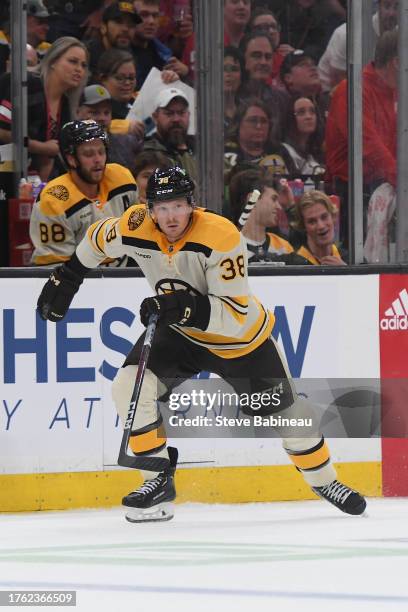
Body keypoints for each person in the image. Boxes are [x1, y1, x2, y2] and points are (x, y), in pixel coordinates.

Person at [36, 165, 366, 522]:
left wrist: (180, 305)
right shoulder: (134, 225)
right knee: (129, 388)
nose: (170, 216)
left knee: (292, 417)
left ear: (191, 205)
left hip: (239, 342)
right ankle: (157, 481)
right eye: (161, 208)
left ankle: (324, 481)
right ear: (150, 209)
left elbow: (236, 317)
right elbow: (97, 239)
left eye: (178, 206)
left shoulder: (221, 236)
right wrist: (69, 277)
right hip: (180, 334)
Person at [29, 119, 138, 266]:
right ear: (71, 159)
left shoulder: (123, 178)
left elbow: (138, 236)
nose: (98, 160)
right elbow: (54, 268)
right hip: (76, 284)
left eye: (101, 152)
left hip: (123, 282)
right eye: (89, 154)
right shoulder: (53, 201)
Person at [325, 30, 398, 245]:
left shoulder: (394, 91)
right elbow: (368, 145)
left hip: (382, 187)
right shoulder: (352, 90)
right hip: (351, 197)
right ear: (397, 62)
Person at [0, 36, 88, 181]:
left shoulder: (65, 104)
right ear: (53, 61)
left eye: (83, 65)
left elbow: (49, 156)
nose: (79, 69)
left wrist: (39, 195)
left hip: (27, 179)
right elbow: (3, 131)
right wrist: (41, 147)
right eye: (72, 62)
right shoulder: (27, 85)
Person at [229, 167, 309, 264]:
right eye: (274, 199)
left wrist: (291, 205)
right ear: (252, 199)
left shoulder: (283, 247)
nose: (279, 207)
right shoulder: (228, 248)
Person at [76, 84, 144, 171]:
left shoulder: (127, 143)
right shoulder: (69, 147)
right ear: (78, 112)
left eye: (106, 113)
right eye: (94, 112)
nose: (102, 118)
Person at [144, 87, 197, 184]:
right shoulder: (147, 152)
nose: (176, 119)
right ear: (155, 117)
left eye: (181, 113)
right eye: (169, 113)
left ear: (189, 115)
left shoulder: (203, 147)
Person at [132, 0, 188, 88]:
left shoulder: (164, 54)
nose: (151, 21)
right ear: (130, 17)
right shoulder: (119, 54)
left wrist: (183, 75)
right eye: (144, 15)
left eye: (155, 16)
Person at [85, 1, 142, 77]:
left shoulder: (133, 58)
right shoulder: (86, 55)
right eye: (118, 22)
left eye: (131, 24)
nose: (125, 29)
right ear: (103, 27)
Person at [292, 189, 347, 265]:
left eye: (324, 217)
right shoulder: (292, 264)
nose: (320, 226)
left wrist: (346, 271)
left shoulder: (350, 259)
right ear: (303, 226)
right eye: (312, 221)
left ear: (333, 217)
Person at [280, 95, 325, 178]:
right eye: (301, 112)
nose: (308, 117)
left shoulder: (318, 152)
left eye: (312, 111)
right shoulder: (283, 152)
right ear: (290, 118)